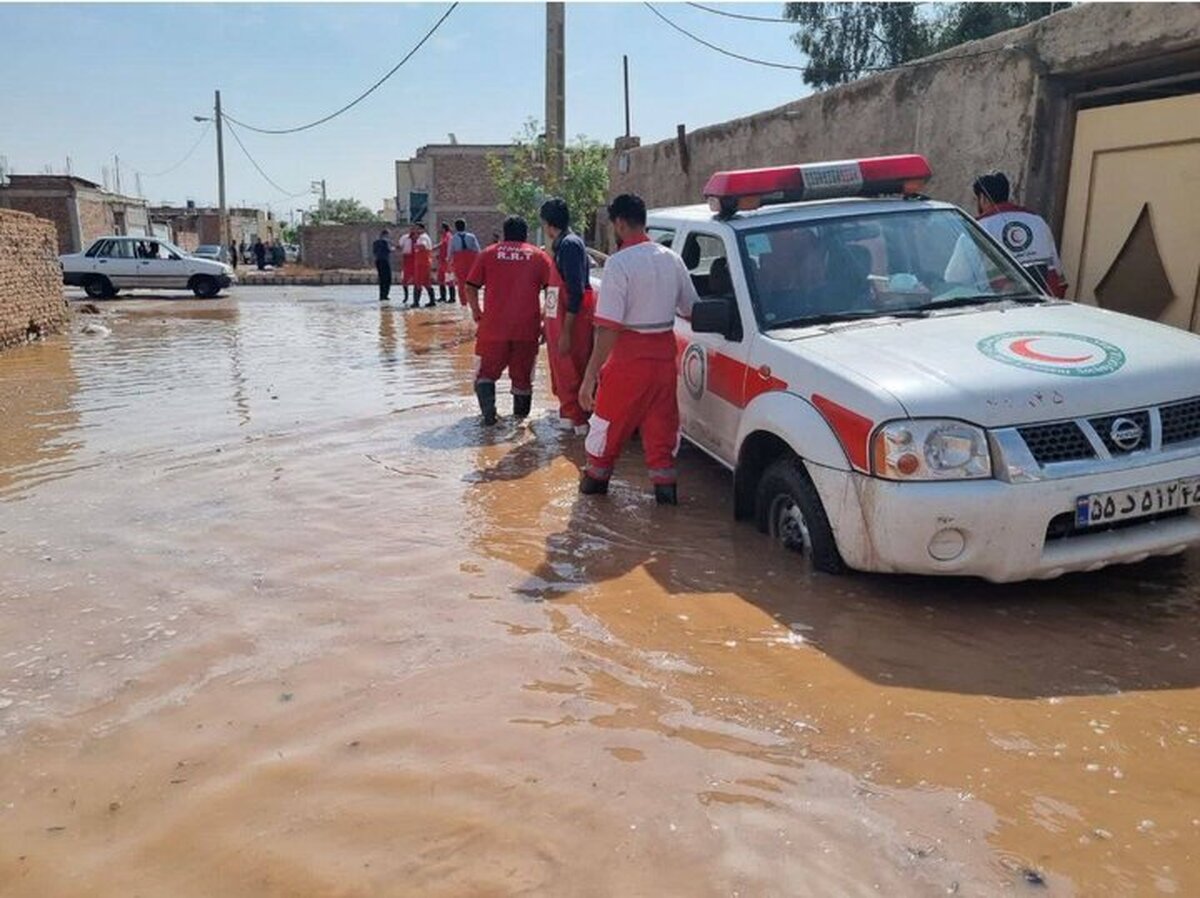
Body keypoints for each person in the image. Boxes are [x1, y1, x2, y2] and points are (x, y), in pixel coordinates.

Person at [578, 194, 697, 506]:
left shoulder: (619, 264)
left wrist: (589, 376)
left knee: (604, 436)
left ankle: (590, 510)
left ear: (619, 223)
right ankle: (667, 516)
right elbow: (692, 309)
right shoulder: (671, 258)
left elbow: (608, 329)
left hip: (628, 361)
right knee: (662, 443)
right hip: (664, 360)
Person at [463, 215, 552, 426]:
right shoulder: (539, 257)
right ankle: (520, 425)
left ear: (504, 233)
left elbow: (470, 287)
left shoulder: (488, 253)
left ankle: (489, 419)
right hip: (527, 329)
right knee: (522, 379)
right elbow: (553, 292)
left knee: (485, 375)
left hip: (492, 328)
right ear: (526, 234)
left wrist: (477, 313)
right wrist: (546, 320)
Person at [538, 197, 596, 434]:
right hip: (558, 322)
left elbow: (575, 292)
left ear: (548, 224)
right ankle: (569, 430)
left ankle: (580, 429)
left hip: (570, 324)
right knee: (563, 376)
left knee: (573, 373)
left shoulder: (570, 245)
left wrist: (566, 332)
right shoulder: (562, 245)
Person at [973, 171, 1068, 298]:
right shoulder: (1037, 220)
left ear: (983, 198)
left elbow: (954, 276)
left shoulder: (977, 227)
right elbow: (1058, 276)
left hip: (999, 309)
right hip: (1044, 304)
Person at [448, 219, 481, 308]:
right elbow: (477, 250)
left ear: (455, 227)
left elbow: (450, 252)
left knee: (461, 284)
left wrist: (449, 265)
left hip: (459, 263)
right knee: (472, 282)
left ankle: (464, 304)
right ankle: (473, 303)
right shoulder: (472, 236)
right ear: (465, 226)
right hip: (471, 262)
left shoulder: (453, 238)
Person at [435, 222, 454, 304]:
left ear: (444, 228)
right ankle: (443, 297)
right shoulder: (443, 236)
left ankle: (452, 298)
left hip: (447, 261)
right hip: (442, 261)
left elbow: (447, 246)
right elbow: (442, 245)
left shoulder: (449, 236)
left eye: (441, 228)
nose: (439, 229)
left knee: (449, 279)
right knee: (441, 279)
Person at [373, 228, 393, 302]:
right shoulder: (385, 241)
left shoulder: (375, 242)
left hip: (378, 261)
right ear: (386, 234)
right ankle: (385, 295)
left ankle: (381, 295)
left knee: (381, 279)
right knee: (387, 278)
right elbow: (389, 250)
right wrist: (395, 248)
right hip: (385, 261)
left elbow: (374, 252)